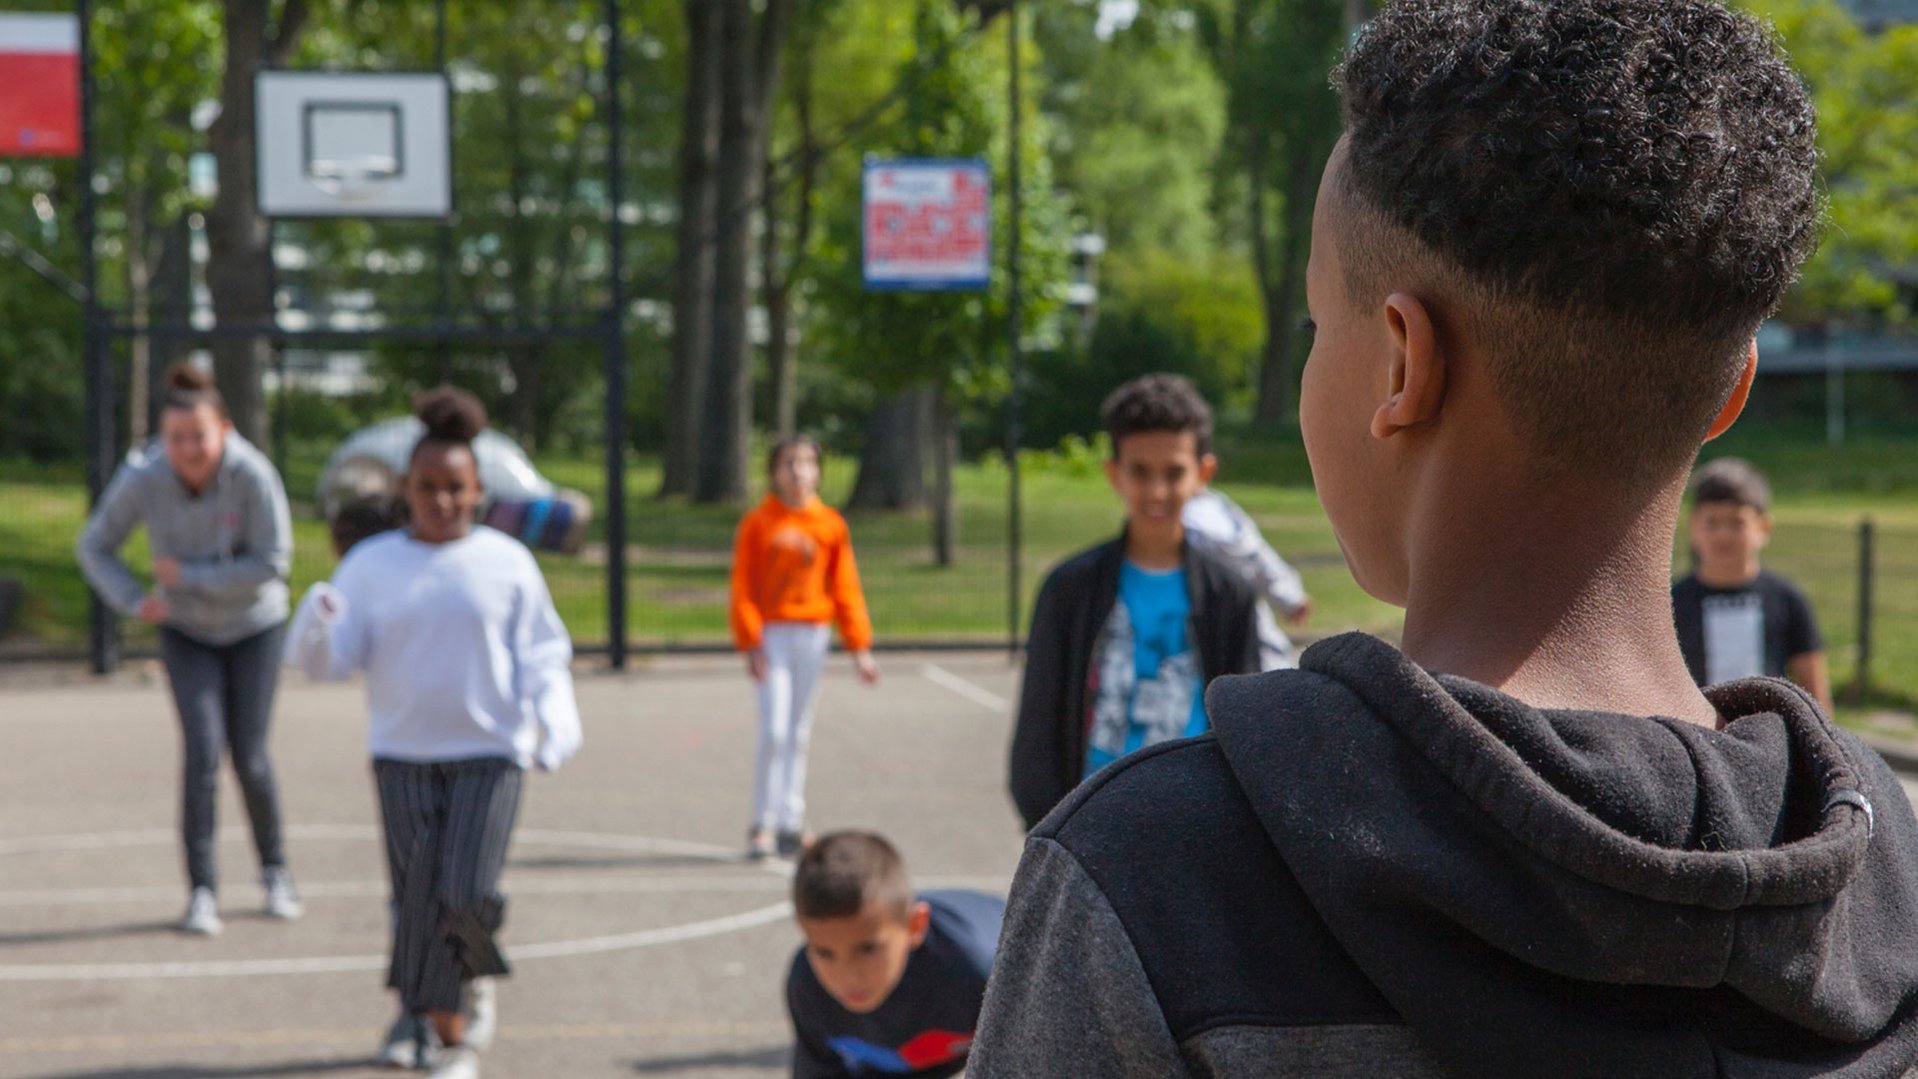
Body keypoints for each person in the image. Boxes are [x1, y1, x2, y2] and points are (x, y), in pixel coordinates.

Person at [971, 2, 1918, 1075]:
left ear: (1398, 365)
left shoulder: (1158, 877)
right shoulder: (1879, 878)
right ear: (1729, 390)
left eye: (1318, 328)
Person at [284, 387, 582, 1079]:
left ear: (477, 490)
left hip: (490, 754)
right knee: (416, 896)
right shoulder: (373, 563)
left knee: (467, 890)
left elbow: (543, 651)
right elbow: (329, 663)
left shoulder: (507, 562)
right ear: (404, 488)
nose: (441, 501)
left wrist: (554, 717)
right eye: (427, 487)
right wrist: (318, 621)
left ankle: (461, 1019)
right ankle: (422, 1017)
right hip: (403, 755)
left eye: (456, 487)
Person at [76, 361, 301, 936]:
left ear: (223, 429)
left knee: (248, 754)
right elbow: (94, 545)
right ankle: (202, 890)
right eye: (176, 437)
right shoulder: (145, 478)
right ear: (163, 439)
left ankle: (276, 872)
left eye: (198, 435)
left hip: (254, 627)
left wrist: (190, 575)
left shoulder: (251, 474)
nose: (188, 448)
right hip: (186, 633)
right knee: (201, 753)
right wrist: (134, 599)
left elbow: (273, 564)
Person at [1007, 373, 1261, 831]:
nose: (1157, 491)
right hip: (1088, 827)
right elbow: (1037, 728)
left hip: (1195, 828)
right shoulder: (1070, 589)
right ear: (1113, 473)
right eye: (1140, 472)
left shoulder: (1230, 596)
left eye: (1174, 472)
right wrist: (1049, 830)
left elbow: (1247, 733)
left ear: (1204, 474)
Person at [730, 436, 879, 859]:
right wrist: (751, 640)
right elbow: (743, 585)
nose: (798, 471)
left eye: (807, 462)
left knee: (797, 732)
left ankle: (791, 822)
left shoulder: (830, 524)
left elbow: (846, 586)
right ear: (774, 472)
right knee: (773, 731)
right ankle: (763, 823)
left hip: (813, 634)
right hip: (772, 636)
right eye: (789, 463)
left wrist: (859, 646)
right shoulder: (759, 523)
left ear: (818, 471)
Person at [786, 832, 1003, 1079]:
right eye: (824, 952)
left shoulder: (983, 973)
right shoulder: (807, 985)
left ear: (915, 925)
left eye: (867, 949)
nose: (848, 975)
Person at [1673, 457, 1835, 714]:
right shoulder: (1670, 603)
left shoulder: (1787, 599)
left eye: (1737, 522)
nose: (1723, 534)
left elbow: (1815, 692)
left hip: (1767, 742)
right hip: (1693, 737)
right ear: (1693, 527)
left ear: (1763, 527)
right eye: (1712, 522)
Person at [1181, 486, 1313, 670]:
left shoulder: (1204, 514)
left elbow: (1249, 556)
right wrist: (1288, 596)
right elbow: (1253, 556)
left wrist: (1288, 596)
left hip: (1232, 623)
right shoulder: (1211, 507)